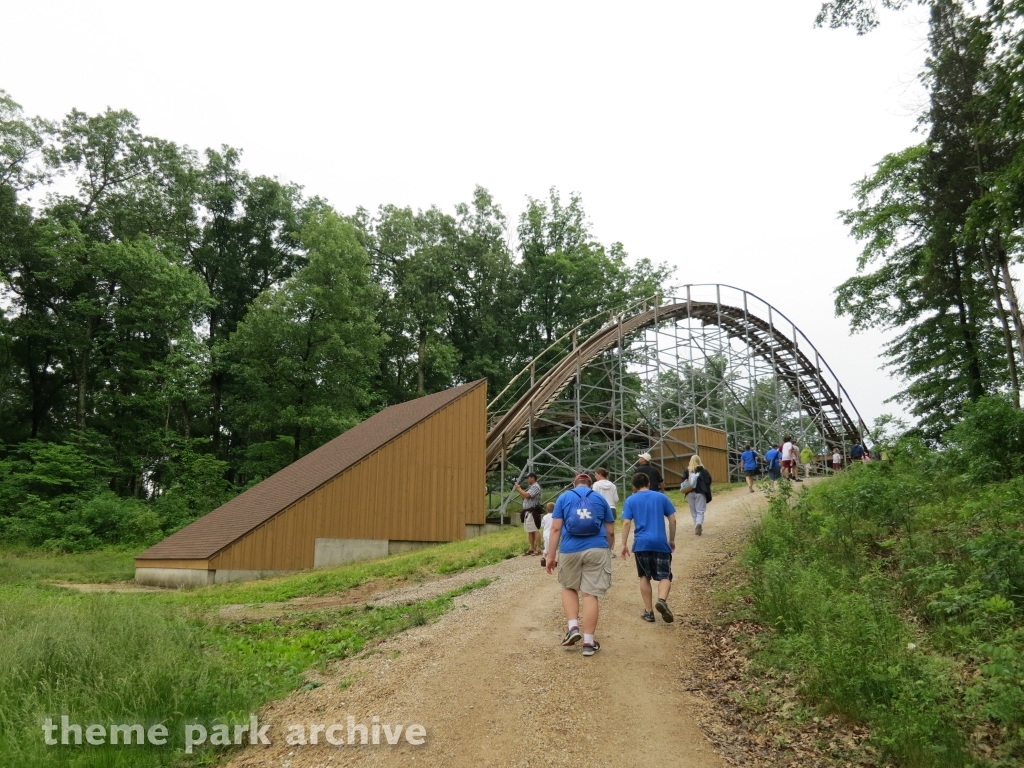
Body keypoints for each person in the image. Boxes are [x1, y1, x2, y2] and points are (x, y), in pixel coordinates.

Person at [545, 472, 615, 657]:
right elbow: (610, 530)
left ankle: (573, 627)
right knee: (590, 594)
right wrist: (608, 548)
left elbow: (555, 528)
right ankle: (588, 643)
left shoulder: (564, 497)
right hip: (597, 548)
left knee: (568, 587)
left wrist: (551, 556)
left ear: (574, 484)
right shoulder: (599, 498)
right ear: (590, 484)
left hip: (570, 549)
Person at [620, 472, 677, 623]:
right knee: (665, 575)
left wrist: (623, 544)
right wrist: (671, 539)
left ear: (634, 486)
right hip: (660, 543)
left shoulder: (631, 500)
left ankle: (649, 612)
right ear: (649, 483)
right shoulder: (661, 497)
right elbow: (673, 519)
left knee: (644, 576)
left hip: (641, 544)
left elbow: (626, 523)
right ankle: (662, 600)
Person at [680, 455, 712, 536]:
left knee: (693, 511)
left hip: (690, 492)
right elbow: (709, 480)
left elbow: (683, 481)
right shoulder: (703, 470)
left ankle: (696, 527)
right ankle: (699, 524)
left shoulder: (687, 470)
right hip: (700, 492)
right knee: (700, 510)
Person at [513, 473, 543, 555]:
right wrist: (519, 491)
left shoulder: (535, 487)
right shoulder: (531, 487)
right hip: (527, 512)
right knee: (530, 530)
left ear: (533, 478)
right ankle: (531, 548)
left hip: (533, 511)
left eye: (528, 478)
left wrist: (519, 489)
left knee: (535, 530)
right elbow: (524, 497)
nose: (527, 480)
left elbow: (528, 495)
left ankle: (538, 548)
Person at [540, 501, 555, 568]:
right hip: (552, 534)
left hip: (545, 534)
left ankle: (543, 558)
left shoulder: (545, 517)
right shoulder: (555, 516)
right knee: (552, 548)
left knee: (546, 547)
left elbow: (542, 525)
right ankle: (551, 561)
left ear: (546, 510)